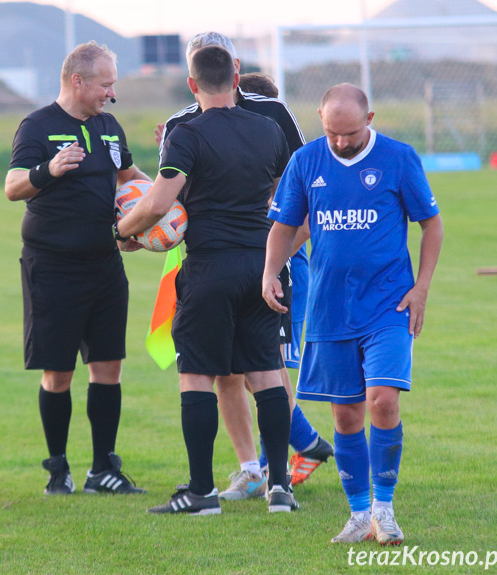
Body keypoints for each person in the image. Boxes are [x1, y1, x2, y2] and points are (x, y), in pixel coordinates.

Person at [118, 45, 296, 514]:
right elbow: (285, 200)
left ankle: (201, 493)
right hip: (261, 267)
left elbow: (158, 204)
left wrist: (123, 230)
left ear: (192, 86)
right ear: (236, 79)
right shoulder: (268, 130)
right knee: (264, 371)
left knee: (197, 374)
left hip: (209, 268)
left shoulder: (186, 133)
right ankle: (280, 487)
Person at [263, 83, 443, 544]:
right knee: (346, 417)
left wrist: (421, 289)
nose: (341, 142)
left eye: (350, 132)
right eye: (332, 133)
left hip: (388, 303)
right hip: (329, 308)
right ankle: (360, 515)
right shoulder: (306, 162)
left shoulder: (398, 158)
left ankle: (384, 508)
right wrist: (269, 273)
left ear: (371, 118)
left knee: (383, 399)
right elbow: (285, 228)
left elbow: (432, 225)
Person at [156, 32, 332, 501]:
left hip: (258, 262)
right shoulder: (180, 126)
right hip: (231, 260)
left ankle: (269, 469)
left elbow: (303, 192)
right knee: (233, 373)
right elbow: (175, 208)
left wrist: (281, 253)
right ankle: (257, 472)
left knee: (254, 366)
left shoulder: (271, 116)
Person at [4, 41, 149, 496]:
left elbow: (130, 176)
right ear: (78, 81)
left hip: (104, 265)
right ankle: (58, 470)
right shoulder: (39, 125)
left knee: (108, 366)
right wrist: (48, 170)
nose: (111, 93)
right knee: (58, 372)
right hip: (52, 267)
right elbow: (12, 187)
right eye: (105, 84)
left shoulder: (109, 127)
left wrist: (159, 206)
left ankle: (103, 468)